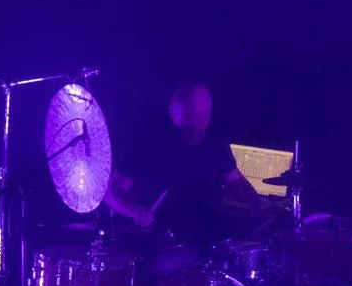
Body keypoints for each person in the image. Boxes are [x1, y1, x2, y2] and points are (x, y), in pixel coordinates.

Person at [104, 81, 258, 246]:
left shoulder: (216, 140)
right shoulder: (149, 141)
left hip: (204, 230)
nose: (196, 127)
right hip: (157, 237)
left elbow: (234, 179)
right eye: (190, 119)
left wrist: (258, 203)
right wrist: (135, 212)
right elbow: (112, 192)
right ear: (172, 112)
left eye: (201, 118)